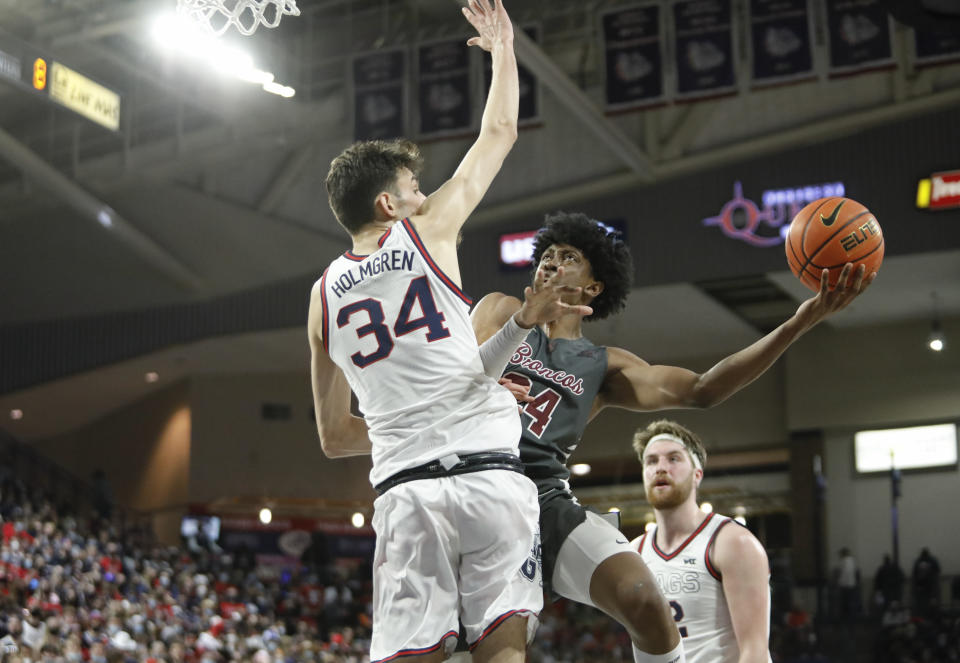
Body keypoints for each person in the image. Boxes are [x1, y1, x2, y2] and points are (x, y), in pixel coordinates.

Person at [308, 2, 591, 662]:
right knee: (505, 654)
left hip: (406, 492)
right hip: (492, 479)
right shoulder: (425, 231)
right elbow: (499, 132)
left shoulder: (320, 299)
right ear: (389, 205)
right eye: (413, 186)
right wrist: (502, 50)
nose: (423, 193)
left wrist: (412, 418)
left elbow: (332, 436)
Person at [471, 211, 873, 663]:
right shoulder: (500, 309)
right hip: (475, 490)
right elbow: (445, 378)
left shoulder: (605, 364)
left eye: (568, 257)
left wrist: (799, 322)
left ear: (593, 287)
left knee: (643, 596)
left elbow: (704, 390)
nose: (551, 263)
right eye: (547, 256)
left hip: (544, 498)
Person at [631, 420, 772, 663]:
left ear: (697, 475)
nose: (661, 468)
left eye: (673, 459)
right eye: (651, 461)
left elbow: (755, 652)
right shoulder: (633, 552)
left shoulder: (733, 542)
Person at [911, 547, 941, 616]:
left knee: (922, 606)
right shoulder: (933, 561)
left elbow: (914, 576)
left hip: (921, 589)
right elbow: (938, 571)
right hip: (931, 588)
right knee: (933, 605)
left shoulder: (918, 561)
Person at [835, 547, 861, 621]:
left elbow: (838, 572)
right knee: (851, 601)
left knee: (844, 602)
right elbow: (857, 572)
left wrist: (838, 582)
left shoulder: (842, 561)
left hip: (844, 585)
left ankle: (844, 617)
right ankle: (852, 616)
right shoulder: (853, 561)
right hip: (852, 584)